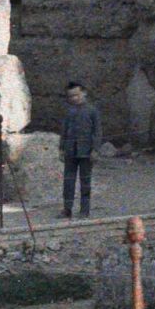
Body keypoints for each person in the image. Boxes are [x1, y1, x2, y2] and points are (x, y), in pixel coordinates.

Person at [60, 81, 100, 218]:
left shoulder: (92, 111)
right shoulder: (68, 111)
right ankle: (67, 209)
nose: (74, 98)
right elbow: (64, 130)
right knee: (68, 182)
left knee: (85, 182)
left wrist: (95, 149)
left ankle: (84, 210)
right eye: (70, 96)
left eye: (76, 95)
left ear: (84, 93)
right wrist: (61, 148)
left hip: (86, 152)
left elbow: (97, 131)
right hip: (70, 151)